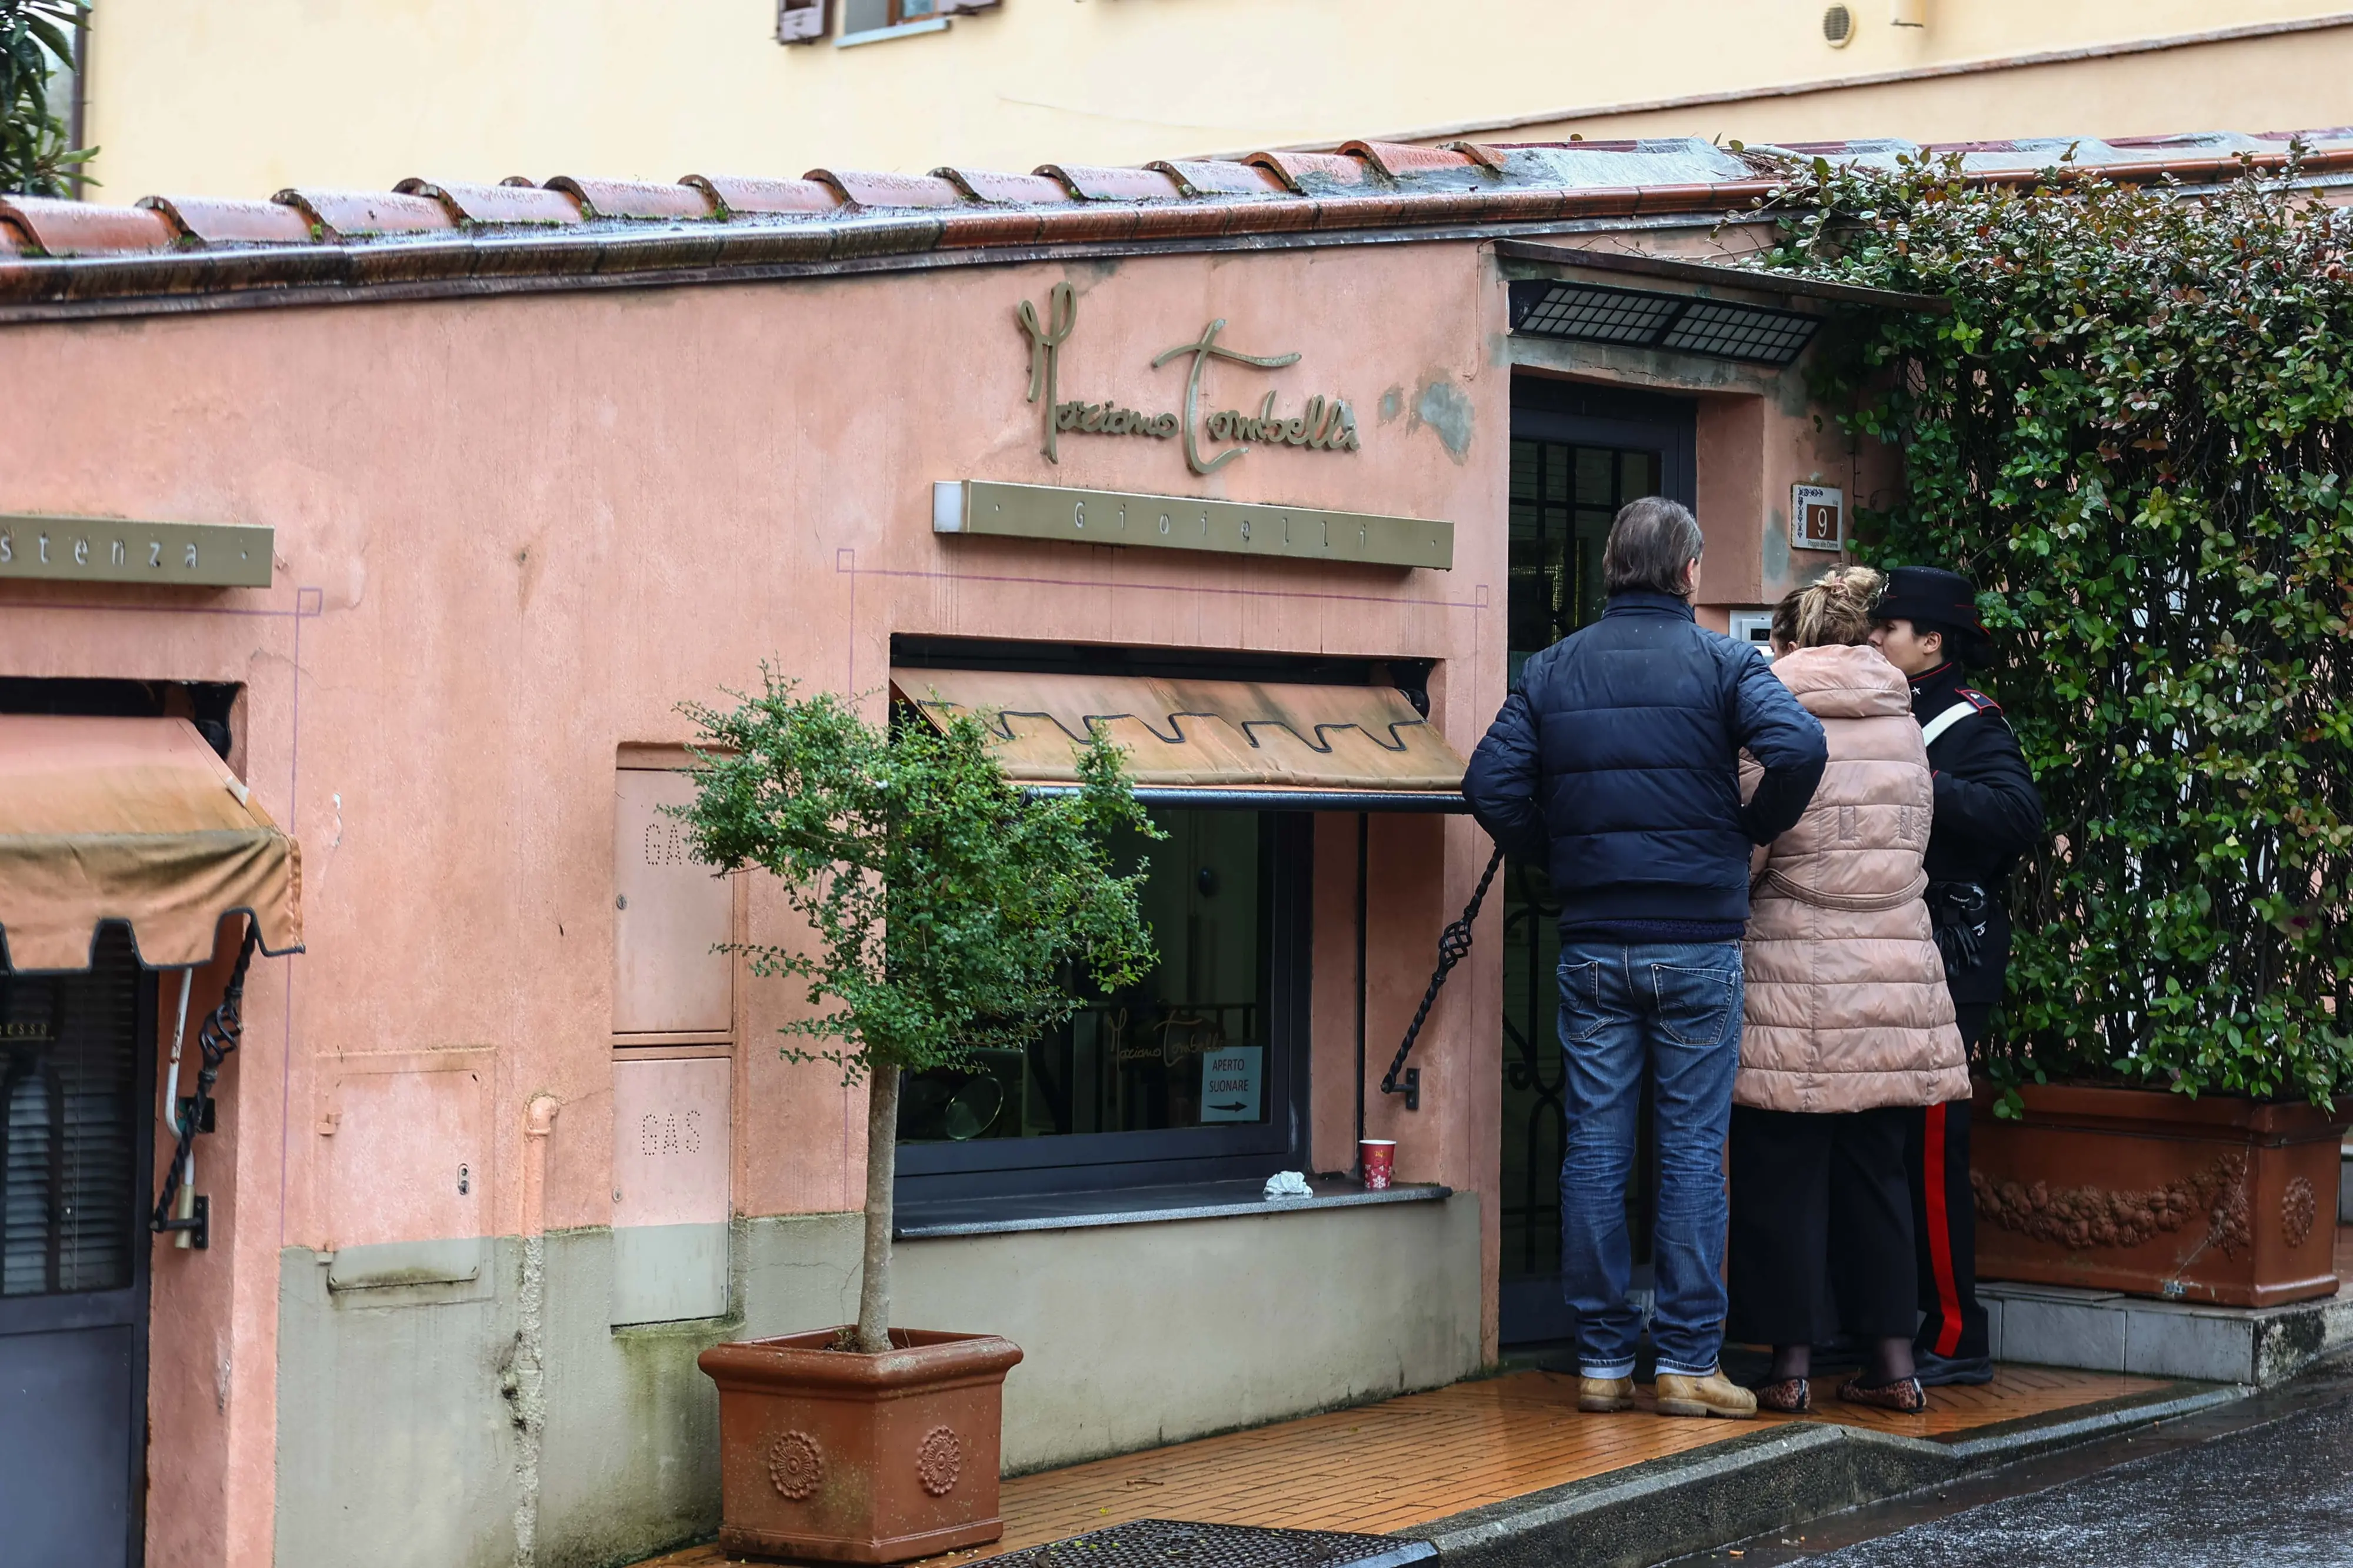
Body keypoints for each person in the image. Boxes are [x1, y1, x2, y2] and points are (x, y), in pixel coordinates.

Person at [1465, 496, 1827, 1421]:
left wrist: (1560, 851)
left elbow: (1489, 784)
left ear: (1609, 567)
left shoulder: (1553, 667)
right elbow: (1798, 745)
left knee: (1593, 1145)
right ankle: (1688, 1360)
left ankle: (1597, 1360)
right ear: (1691, 572)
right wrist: (1745, 829)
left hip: (1593, 942)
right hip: (1699, 941)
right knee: (1692, 1151)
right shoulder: (1721, 661)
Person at [1728, 567, 1969, 1416]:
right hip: (1897, 970)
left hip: (1794, 970)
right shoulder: (1905, 721)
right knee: (1879, 1175)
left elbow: (1751, 845)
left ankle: (1789, 1365)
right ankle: (1894, 1365)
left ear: (1788, 642)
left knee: (1782, 1175)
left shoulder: (1768, 717)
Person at [1868, 566, 2045, 1387]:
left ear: (1932, 641)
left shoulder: (1971, 724)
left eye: (1889, 628)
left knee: (1936, 1144)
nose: (1875, 640)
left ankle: (1955, 1331)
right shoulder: (1890, 706)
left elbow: (2019, 817)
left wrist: (1926, 788)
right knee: (1889, 1146)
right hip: (1898, 949)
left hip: (1954, 951)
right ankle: (1888, 1318)